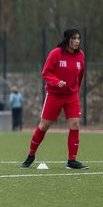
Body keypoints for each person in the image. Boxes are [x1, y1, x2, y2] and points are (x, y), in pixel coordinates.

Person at [21, 28, 89, 170]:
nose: (77, 41)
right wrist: (56, 82)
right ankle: (31, 154)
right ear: (67, 40)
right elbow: (46, 73)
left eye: (78, 38)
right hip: (54, 95)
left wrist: (76, 89)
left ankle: (72, 161)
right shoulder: (55, 54)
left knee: (75, 125)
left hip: (72, 95)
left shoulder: (81, 55)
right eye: (74, 38)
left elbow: (80, 75)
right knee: (44, 126)